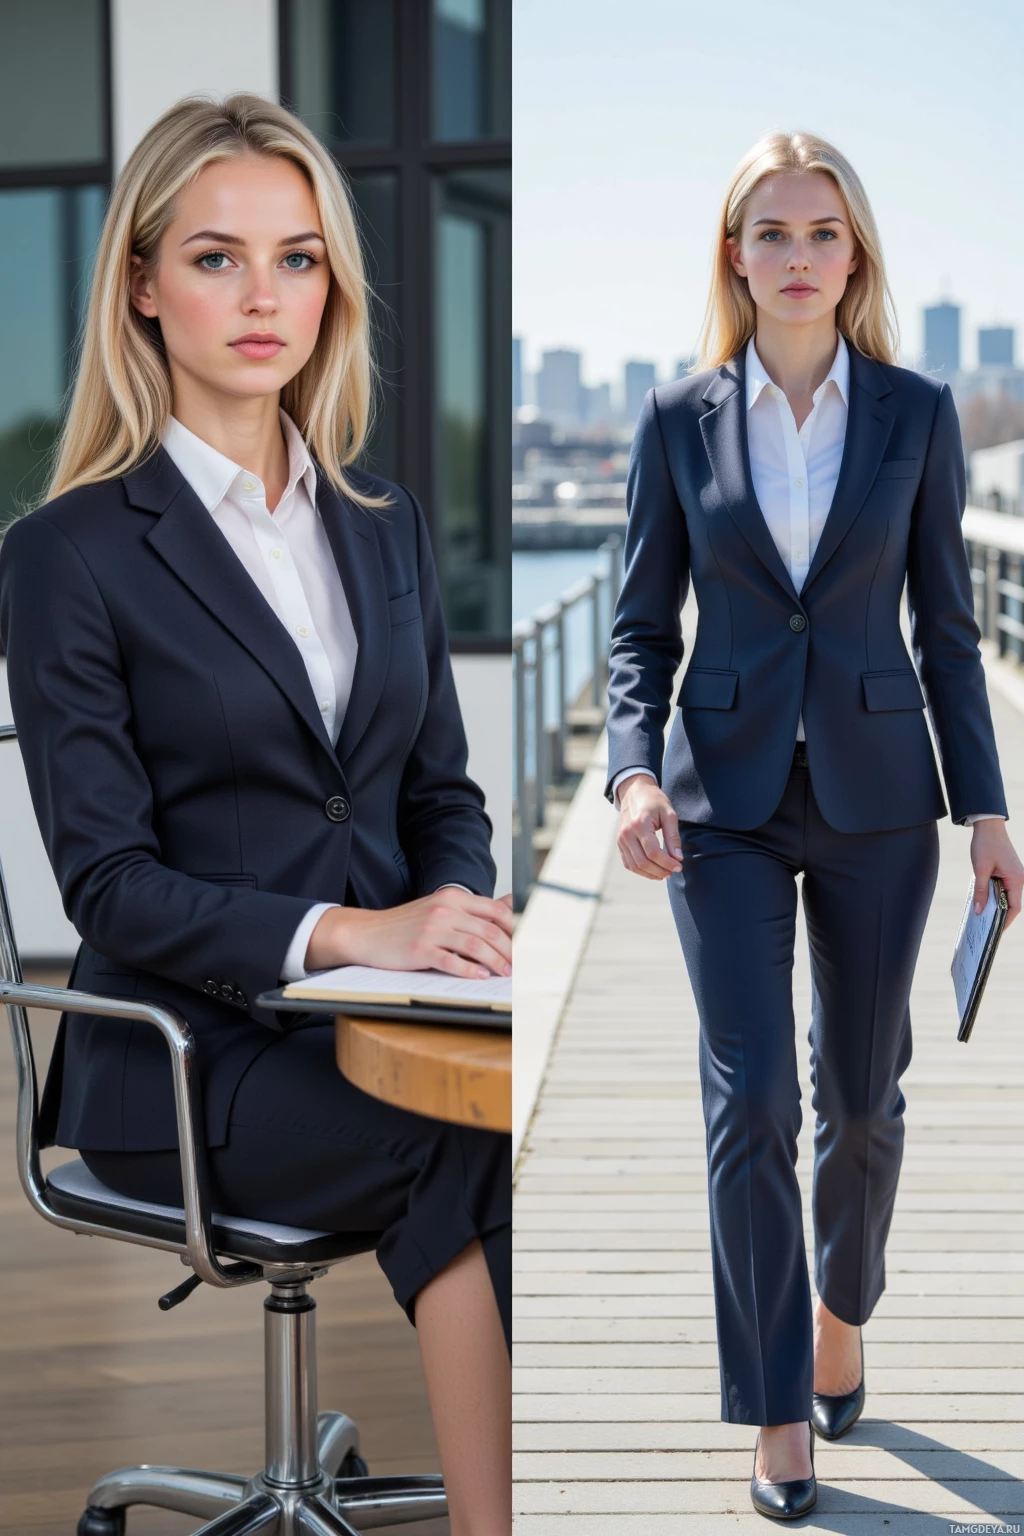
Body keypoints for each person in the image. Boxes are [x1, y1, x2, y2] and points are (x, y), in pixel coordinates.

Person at [0, 92, 511, 1536]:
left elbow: (440, 795)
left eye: (297, 257)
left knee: (534, 1111)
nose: (262, 294)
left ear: (333, 284)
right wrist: (353, 932)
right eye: (217, 257)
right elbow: (107, 885)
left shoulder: (384, 519)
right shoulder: (67, 555)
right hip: (181, 1059)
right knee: (464, 1150)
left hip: (392, 1024)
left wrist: (455, 926)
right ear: (145, 287)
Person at [605, 129, 1023, 1521]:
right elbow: (635, 628)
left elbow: (952, 636)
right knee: (750, 1107)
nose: (797, 257)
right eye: (771, 233)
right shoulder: (675, 420)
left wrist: (989, 812)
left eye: (822, 233)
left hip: (880, 800)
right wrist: (630, 774)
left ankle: (847, 1306)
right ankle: (780, 1403)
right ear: (737, 254)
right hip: (714, 805)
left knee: (858, 1097)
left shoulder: (915, 412)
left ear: (857, 256)